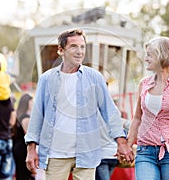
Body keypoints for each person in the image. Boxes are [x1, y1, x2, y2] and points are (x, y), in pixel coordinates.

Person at [25, 28, 133, 180]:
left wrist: (121, 142)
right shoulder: (46, 79)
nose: (79, 51)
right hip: (55, 154)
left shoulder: (95, 78)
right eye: (74, 46)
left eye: (82, 47)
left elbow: (110, 112)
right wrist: (31, 149)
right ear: (61, 50)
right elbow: (37, 116)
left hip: (87, 153)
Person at [127, 36, 169, 180]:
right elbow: (137, 118)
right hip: (145, 150)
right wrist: (127, 145)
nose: (146, 58)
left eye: (149, 55)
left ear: (162, 55)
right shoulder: (144, 84)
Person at [12, 93, 38, 180]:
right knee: (26, 173)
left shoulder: (19, 115)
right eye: (32, 101)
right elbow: (28, 133)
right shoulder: (26, 117)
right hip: (23, 148)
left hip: (18, 146)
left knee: (21, 172)